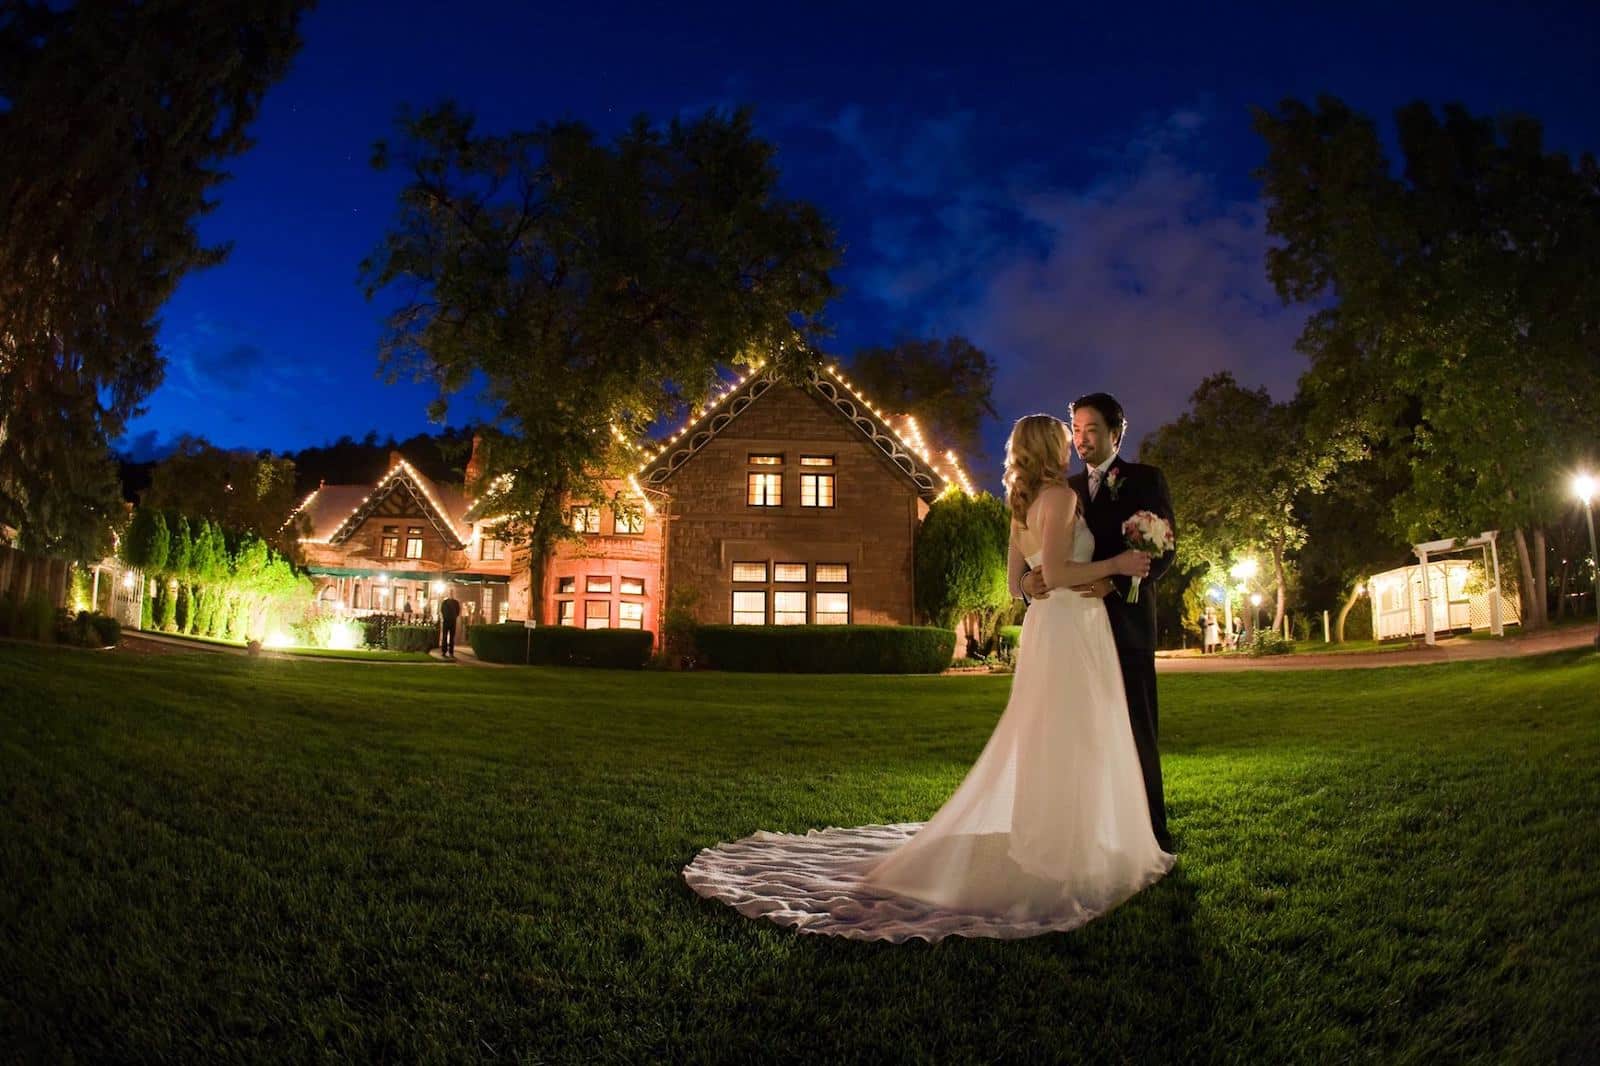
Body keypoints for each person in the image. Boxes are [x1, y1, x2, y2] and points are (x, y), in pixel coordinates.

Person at [681, 413, 1172, 941]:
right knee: (1075, 733)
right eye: (1065, 437)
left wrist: (1043, 579)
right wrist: (1116, 564)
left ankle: (1048, 837)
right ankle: (1070, 842)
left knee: (1046, 733)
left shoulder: (1021, 505)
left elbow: (1020, 583)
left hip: (1046, 628)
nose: (1074, 445)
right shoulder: (1062, 499)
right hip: (1073, 624)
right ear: (1052, 447)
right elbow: (1056, 575)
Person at [1024, 393, 1177, 850]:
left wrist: (1114, 582)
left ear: (1116, 432)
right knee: (1080, 737)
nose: (1082, 438)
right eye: (1076, 429)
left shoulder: (1145, 479)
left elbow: (1164, 548)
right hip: (1073, 632)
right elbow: (1038, 556)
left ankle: (1152, 835)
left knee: (1136, 732)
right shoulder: (1062, 489)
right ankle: (1091, 836)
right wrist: (1024, 588)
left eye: (1091, 429)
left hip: (1125, 627)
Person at [439, 592, 461, 660]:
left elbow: (458, 611)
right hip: (447, 621)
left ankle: (450, 652)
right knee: (445, 637)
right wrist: (445, 617)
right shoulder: (445, 602)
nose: (451, 595)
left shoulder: (454, 602)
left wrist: (453, 617)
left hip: (451, 621)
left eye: (451, 593)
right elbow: (442, 610)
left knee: (451, 637)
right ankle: (445, 651)